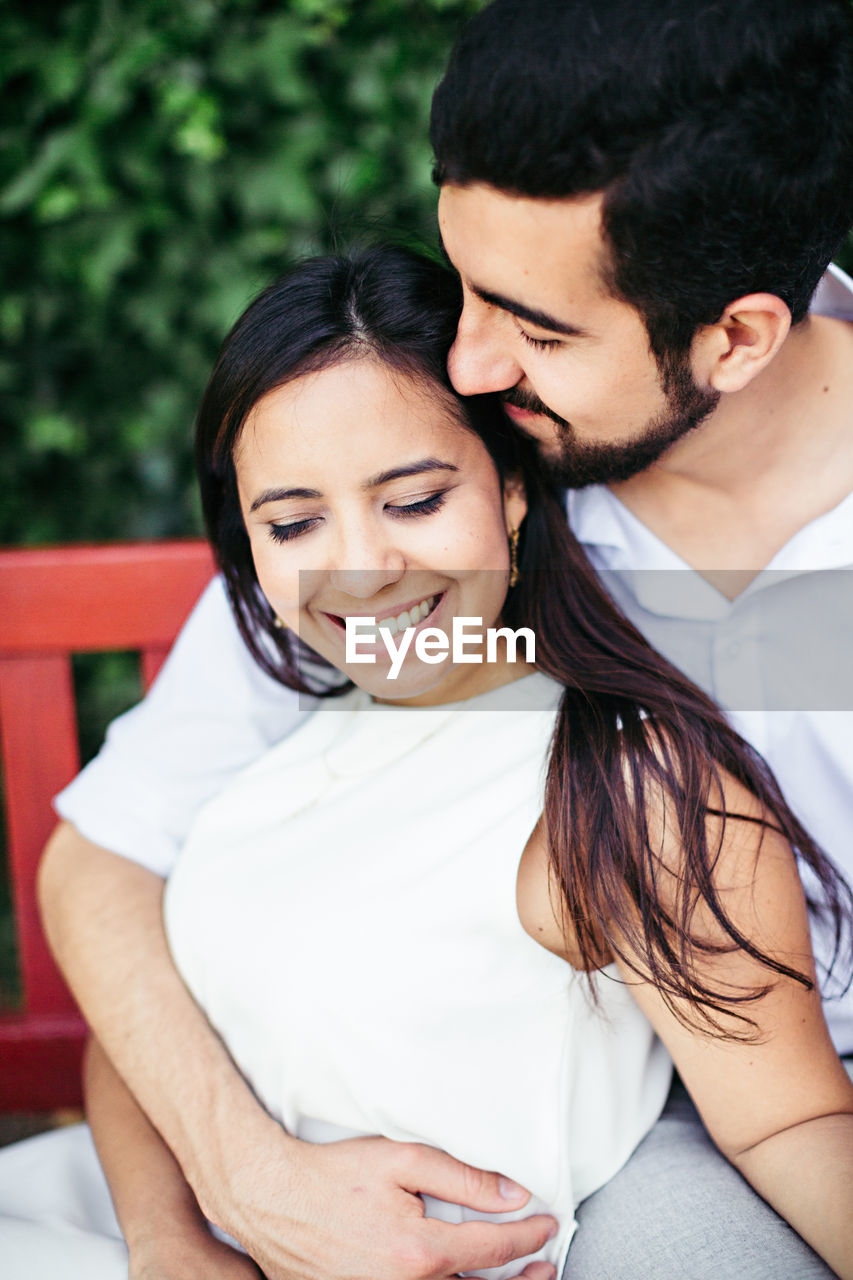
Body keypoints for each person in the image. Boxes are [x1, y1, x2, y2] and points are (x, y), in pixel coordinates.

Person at [34, 1, 853, 1277]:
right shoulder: (455, 508)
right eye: (464, 281)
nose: (468, 357)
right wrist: (234, 1189)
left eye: (535, 324)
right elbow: (111, 864)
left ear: (735, 337)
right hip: (650, 1125)